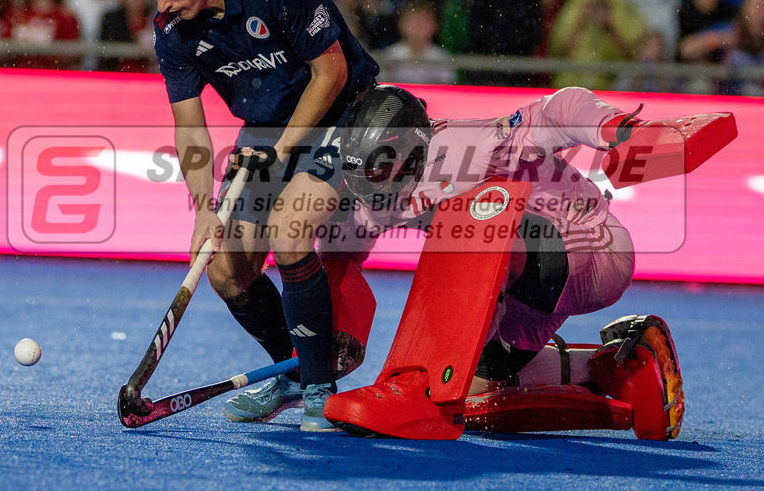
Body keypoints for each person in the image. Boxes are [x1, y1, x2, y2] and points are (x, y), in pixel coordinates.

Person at [239, 85, 687, 439]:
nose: (366, 189)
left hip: (589, 248)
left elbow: (560, 108)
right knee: (475, 395)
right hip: (524, 291)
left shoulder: (464, 144)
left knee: (470, 226)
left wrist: (619, 128)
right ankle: (620, 368)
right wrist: (332, 343)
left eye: (377, 173)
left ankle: (414, 382)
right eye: (357, 174)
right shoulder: (370, 189)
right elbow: (339, 263)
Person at [124, 0, 379, 432]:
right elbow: (190, 127)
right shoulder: (172, 31)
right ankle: (296, 368)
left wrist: (283, 148)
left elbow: (331, 71)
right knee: (224, 268)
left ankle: (319, 389)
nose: (162, 5)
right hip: (266, 130)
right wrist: (204, 211)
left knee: (289, 230)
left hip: (344, 115)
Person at [0, 0, 80, 70]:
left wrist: (46, 48)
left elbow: (74, 55)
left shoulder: (65, 16)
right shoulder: (17, 14)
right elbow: (0, 52)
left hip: (53, 75)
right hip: (20, 73)